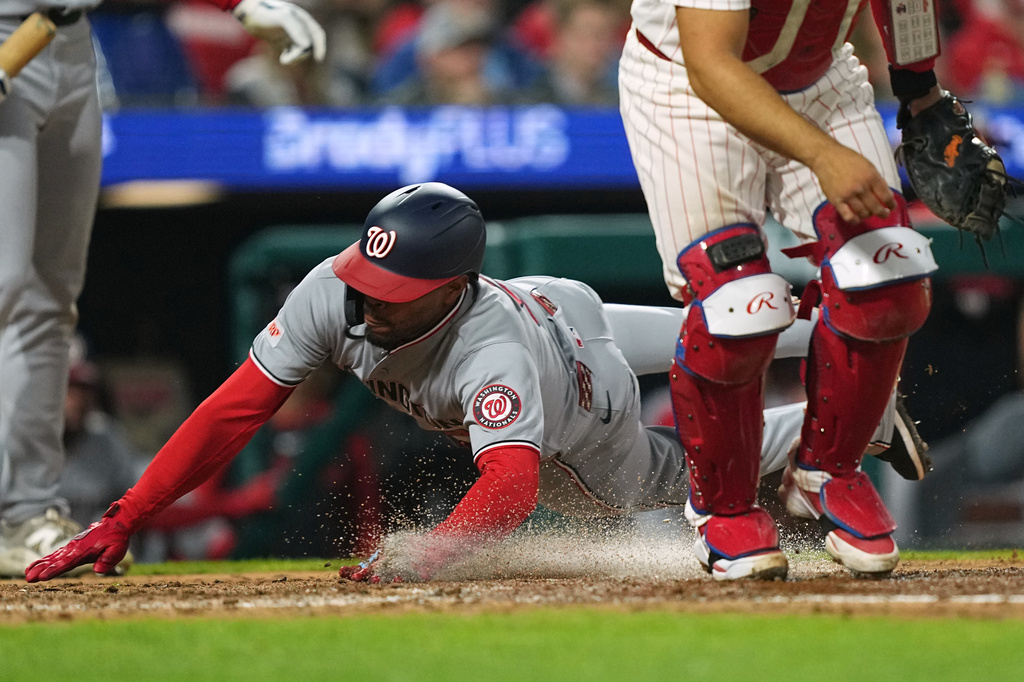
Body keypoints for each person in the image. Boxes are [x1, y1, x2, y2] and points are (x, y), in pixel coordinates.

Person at [24, 182, 924, 583]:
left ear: (449, 290)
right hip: (565, 303)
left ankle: (855, 412)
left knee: (678, 477)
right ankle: (835, 347)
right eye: (368, 280)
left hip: (575, 384)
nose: (369, 304)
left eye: (396, 295)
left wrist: (424, 553)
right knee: (709, 334)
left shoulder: (485, 357)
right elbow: (233, 409)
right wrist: (126, 515)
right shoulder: (335, 286)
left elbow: (512, 483)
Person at [617, 0, 947, 579]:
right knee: (738, 307)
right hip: (689, 90)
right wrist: (823, 155)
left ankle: (828, 471)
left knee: (890, 277)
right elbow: (711, 63)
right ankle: (723, 511)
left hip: (818, 79)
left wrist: (921, 91)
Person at [0, 0, 326, 579]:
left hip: (68, 39)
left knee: (49, 300)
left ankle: (23, 514)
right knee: (2, 284)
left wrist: (239, 5)